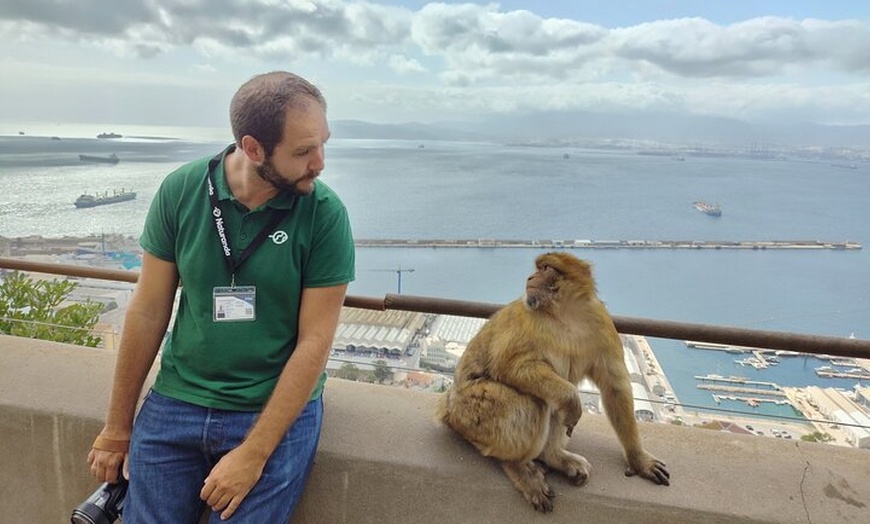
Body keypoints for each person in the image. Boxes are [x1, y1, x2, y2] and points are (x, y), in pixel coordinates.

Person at [86, 71, 355, 523]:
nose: (320, 163)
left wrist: (255, 452)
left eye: (323, 144)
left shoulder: (324, 214)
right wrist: (117, 427)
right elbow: (149, 311)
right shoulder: (182, 190)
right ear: (253, 149)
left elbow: (315, 342)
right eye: (304, 151)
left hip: (271, 408)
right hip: (179, 398)